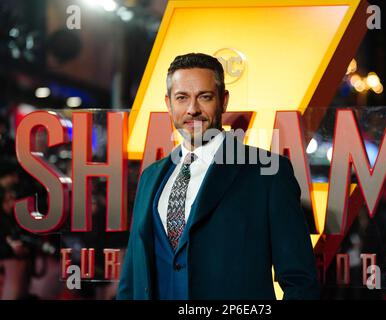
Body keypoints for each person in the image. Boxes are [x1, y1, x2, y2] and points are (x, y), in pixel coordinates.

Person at [117, 53, 319, 300]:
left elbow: (300, 281)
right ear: (169, 103)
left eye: (204, 97)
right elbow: (131, 280)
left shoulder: (268, 172)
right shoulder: (150, 177)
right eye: (182, 98)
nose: (193, 109)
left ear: (223, 101)